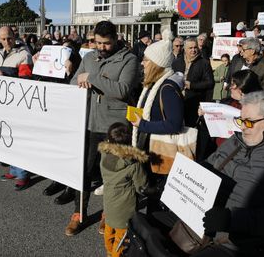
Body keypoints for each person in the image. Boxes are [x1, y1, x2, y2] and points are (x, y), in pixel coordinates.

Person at [194, 91, 264, 257]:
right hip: (201, 221)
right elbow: (209, 164)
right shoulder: (236, 141)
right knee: (147, 230)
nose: (241, 127)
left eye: (248, 122)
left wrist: (233, 219)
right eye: (241, 120)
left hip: (236, 243)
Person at [65, 20, 139, 236]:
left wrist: (93, 78)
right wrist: (81, 80)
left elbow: (123, 90)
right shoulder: (88, 57)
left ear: (115, 40)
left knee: (113, 175)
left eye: (106, 43)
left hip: (114, 126)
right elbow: (73, 82)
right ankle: (79, 213)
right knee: (84, 172)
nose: (101, 47)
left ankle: (110, 214)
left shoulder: (129, 59)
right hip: (88, 122)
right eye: (97, 42)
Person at [131, 29, 184, 213]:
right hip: (151, 147)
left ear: (156, 64)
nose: (142, 63)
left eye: (146, 60)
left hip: (162, 151)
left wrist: (142, 124)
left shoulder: (167, 88)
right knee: (151, 192)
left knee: (157, 198)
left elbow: (174, 124)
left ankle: (155, 234)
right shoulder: (154, 84)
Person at [0, 26, 33, 190]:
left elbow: (26, 80)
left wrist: (6, 76)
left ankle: (23, 174)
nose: (6, 41)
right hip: (3, 104)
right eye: (2, 39)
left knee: (19, 139)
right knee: (8, 137)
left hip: (18, 105)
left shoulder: (24, 54)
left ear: (14, 36)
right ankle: (14, 169)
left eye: (9, 38)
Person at [99, 122, 148, 257]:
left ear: (109, 140)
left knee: (109, 231)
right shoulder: (133, 163)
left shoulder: (104, 155)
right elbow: (141, 185)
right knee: (121, 238)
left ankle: (109, 251)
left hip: (109, 202)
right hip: (125, 207)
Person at [172, 37, 214, 127]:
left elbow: (210, 82)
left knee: (191, 129)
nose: (193, 50)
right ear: (184, 49)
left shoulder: (204, 63)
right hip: (177, 102)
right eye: (190, 48)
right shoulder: (176, 62)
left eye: (195, 47)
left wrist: (192, 85)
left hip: (194, 103)